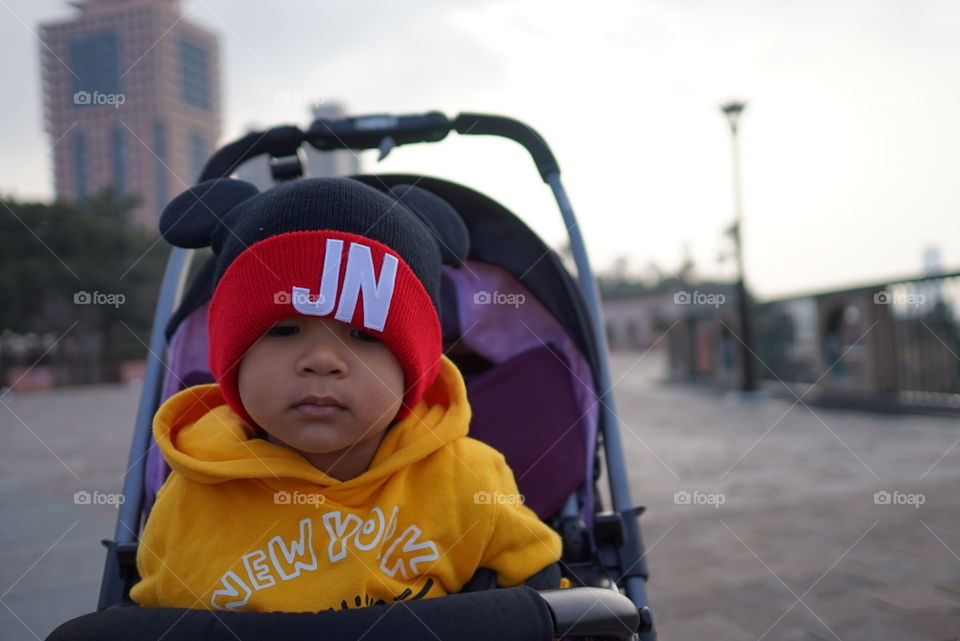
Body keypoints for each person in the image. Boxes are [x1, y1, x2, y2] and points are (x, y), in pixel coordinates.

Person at [130, 177, 565, 613]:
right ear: (232, 360)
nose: (322, 360)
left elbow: (541, 594)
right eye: (284, 329)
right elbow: (158, 620)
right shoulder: (190, 496)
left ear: (413, 370)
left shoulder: (466, 479)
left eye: (362, 334)